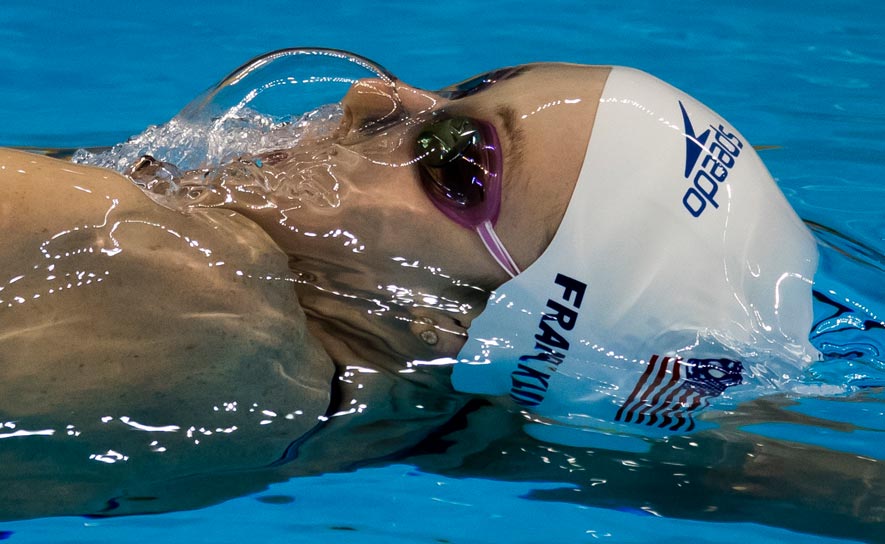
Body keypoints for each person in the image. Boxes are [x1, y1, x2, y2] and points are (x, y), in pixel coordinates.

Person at [0, 50, 867, 519]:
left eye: (455, 162)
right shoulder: (427, 426)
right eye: (460, 90)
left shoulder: (125, 245)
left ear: (488, 321)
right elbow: (734, 477)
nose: (372, 98)